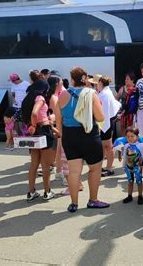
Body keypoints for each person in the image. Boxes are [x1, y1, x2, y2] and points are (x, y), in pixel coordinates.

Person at [55, 67, 109, 213]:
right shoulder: (91, 94)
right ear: (85, 79)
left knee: (73, 172)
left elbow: (58, 120)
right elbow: (101, 117)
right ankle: (93, 200)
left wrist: (62, 135)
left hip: (69, 136)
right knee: (95, 169)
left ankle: (74, 203)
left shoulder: (62, 95)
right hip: (89, 135)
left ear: (72, 79)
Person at [23, 79, 59, 202]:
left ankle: (31, 192)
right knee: (45, 164)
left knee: (34, 164)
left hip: (34, 132)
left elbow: (33, 115)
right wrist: (35, 124)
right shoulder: (40, 98)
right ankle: (47, 191)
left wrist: (32, 126)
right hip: (43, 131)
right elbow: (34, 113)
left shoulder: (28, 97)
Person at [117, 127, 143, 205]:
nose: (130, 138)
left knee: (139, 181)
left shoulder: (140, 145)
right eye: (128, 137)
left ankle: (140, 196)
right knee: (130, 181)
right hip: (128, 168)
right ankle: (129, 196)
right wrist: (124, 165)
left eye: (132, 136)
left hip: (137, 168)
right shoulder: (126, 145)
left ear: (137, 137)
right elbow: (124, 156)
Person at [97, 76, 121, 177]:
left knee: (107, 145)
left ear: (101, 83)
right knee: (105, 145)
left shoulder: (104, 94)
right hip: (107, 121)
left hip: (106, 122)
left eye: (97, 83)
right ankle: (107, 167)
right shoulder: (106, 92)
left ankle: (109, 168)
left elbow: (104, 111)